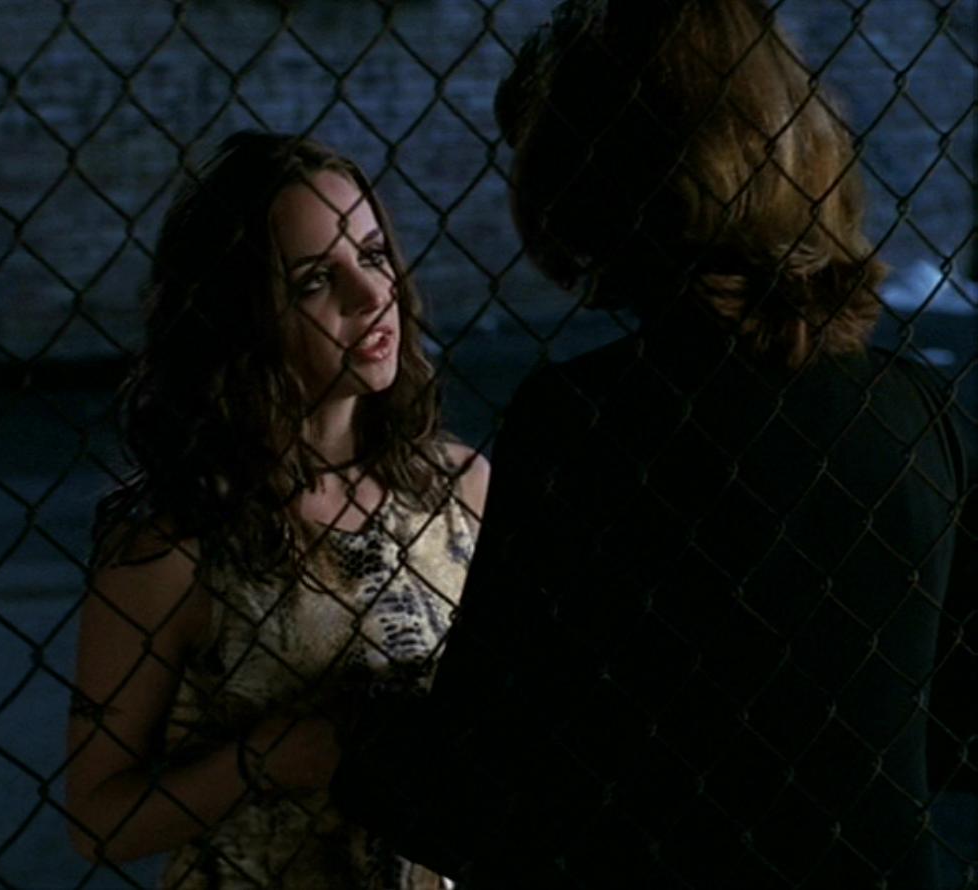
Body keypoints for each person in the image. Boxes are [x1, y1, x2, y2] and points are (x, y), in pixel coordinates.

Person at [330, 2, 977, 888]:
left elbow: (481, 787)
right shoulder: (915, 410)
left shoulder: (586, 424)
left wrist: (351, 724)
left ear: (587, 180)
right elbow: (958, 722)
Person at [65, 131, 489, 889]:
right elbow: (98, 819)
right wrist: (266, 760)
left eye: (374, 255)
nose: (370, 296)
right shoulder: (174, 548)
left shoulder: (459, 491)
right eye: (315, 280)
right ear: (241, 317)